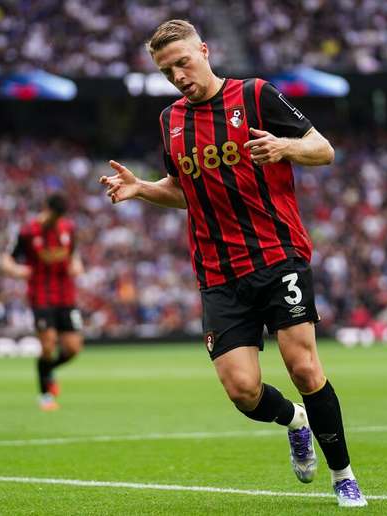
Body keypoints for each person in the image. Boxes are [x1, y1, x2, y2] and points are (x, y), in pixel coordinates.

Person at [99, 19, 366, 508]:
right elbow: (184, 191)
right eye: (166, 70)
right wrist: (141, 189)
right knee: (243, 390)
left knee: (304, 367)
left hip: (277, 253)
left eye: (183, 62)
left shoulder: (256, 95)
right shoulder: (169, 122)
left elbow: (323, 150)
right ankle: (295, 422)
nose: (178, 75)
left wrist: (284, 146)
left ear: (204, 50)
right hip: (218, 273)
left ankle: (344, 475)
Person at [1, 193, 85, 410]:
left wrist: (76, 264)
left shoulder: (68, 229)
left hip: (66, 295)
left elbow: (74, 254)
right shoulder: (28, 232)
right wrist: (16, 270)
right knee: (47, 345)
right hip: (41, 295)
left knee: (73, 348)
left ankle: (47, 370)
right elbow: (6, 260)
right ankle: (45, 395)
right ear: (45, 208)